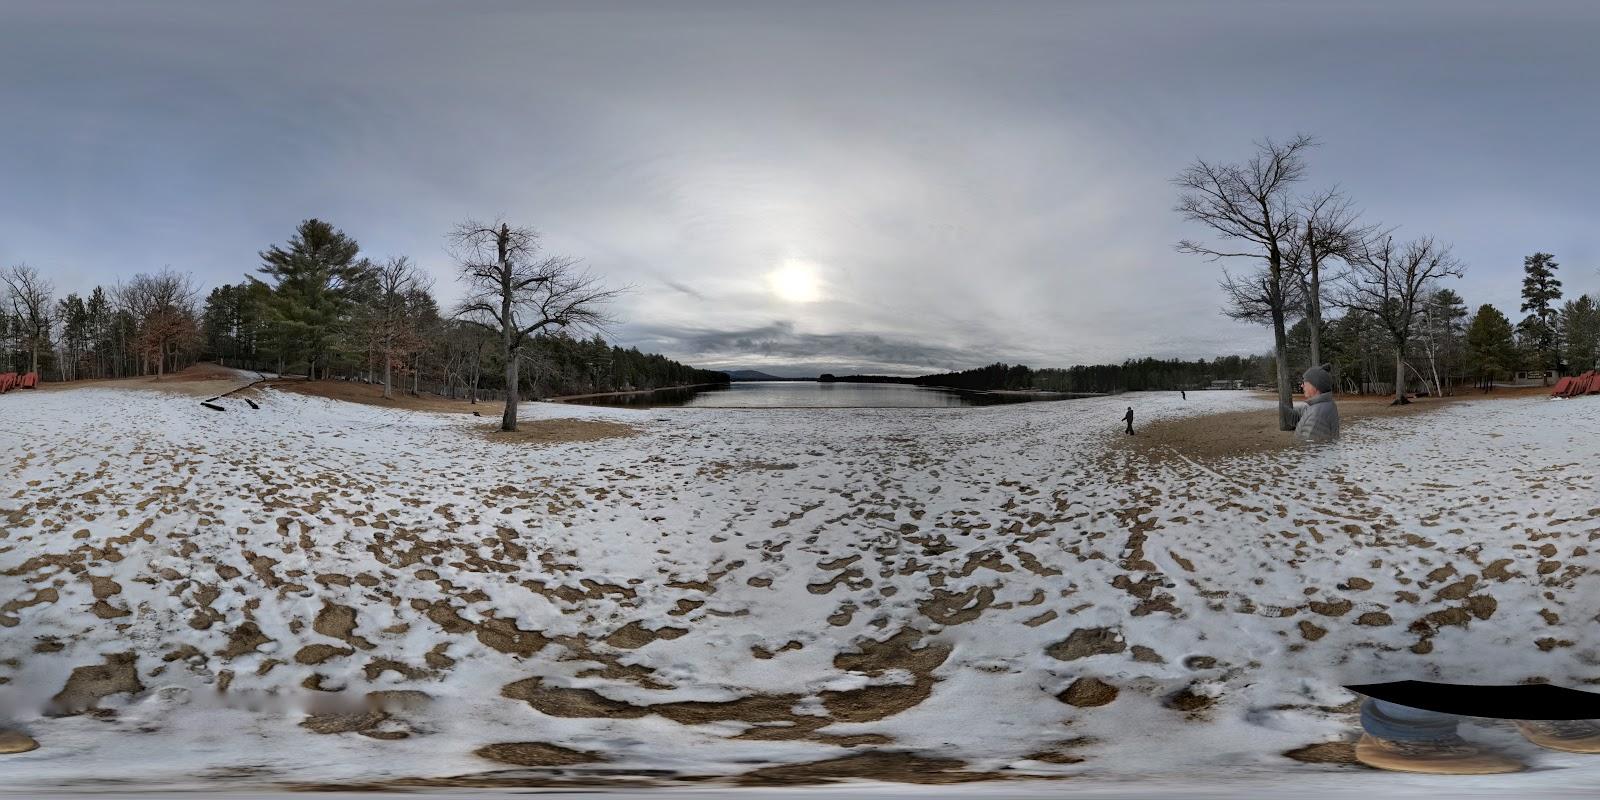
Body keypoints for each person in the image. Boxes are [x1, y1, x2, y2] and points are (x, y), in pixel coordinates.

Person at [1288, 364, 1340, 444]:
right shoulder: (1323, 406)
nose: (1302, 385)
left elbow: (1311, 449)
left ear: (1315, 385)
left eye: (1305, 382)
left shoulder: (1317, 414)